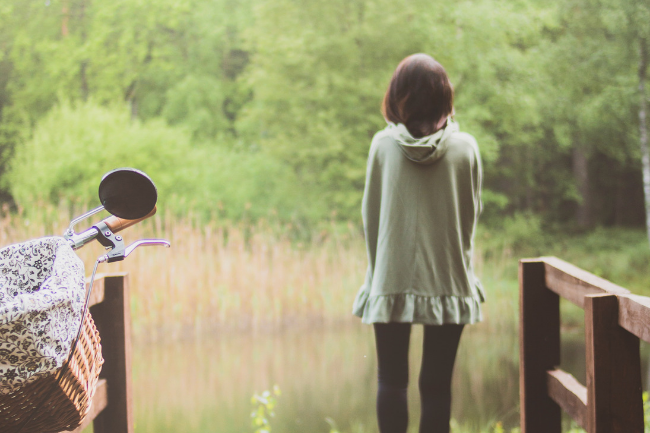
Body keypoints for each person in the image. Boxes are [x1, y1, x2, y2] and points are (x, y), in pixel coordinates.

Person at [352, 53, 484, 433]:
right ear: (445, 96)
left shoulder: (382, 146)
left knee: (391, 380)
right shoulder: (466, 149)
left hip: (392, 278)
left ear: (398, 95)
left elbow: (370, 217)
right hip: (449, 278)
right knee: (437, 387)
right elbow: (471, 214)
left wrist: (378, 273)